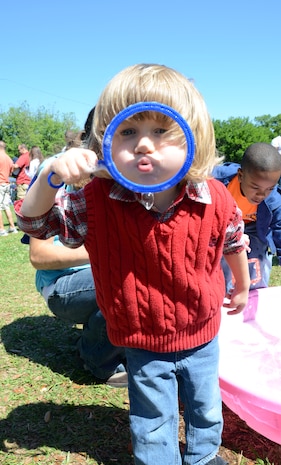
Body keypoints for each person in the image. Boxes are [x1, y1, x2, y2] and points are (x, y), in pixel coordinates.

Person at [15, 63, 250, 465]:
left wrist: (241, 285)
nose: (144, 144)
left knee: (206, 407)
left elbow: (233, 242)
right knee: (153, 418)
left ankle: (204, 454)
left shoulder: (215, 196)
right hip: (143, 340)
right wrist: (51, 175)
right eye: (128, 131)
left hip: (203, 329)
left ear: (194, 134)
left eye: (161, 130)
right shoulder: (94, 198)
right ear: (104, 142)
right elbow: (34, 222)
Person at [29, 234, 127, 387]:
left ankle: (129, 349)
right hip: (63, 280)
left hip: (107, 270)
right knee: (123, 283)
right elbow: (38, 256)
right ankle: (98, 360)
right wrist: (102, 251)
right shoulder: (52, 208)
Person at [213, 142, 281, 293]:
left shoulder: (274, 199)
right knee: (224, 264)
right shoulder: (216, 182)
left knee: (258, 263)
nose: (261, 195)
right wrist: (230, 235)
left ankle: (254, 296)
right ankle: (223, 296)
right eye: (255, 187)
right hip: (222, 225)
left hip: (254, 228)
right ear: (240, 176)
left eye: (270, 188)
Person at [0, 141, 18, 236]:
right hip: (7, 184)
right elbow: (11, 172)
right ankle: (12, 227)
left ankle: (2, 230)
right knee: (6, 206)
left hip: (0, 184)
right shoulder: (8, 158)